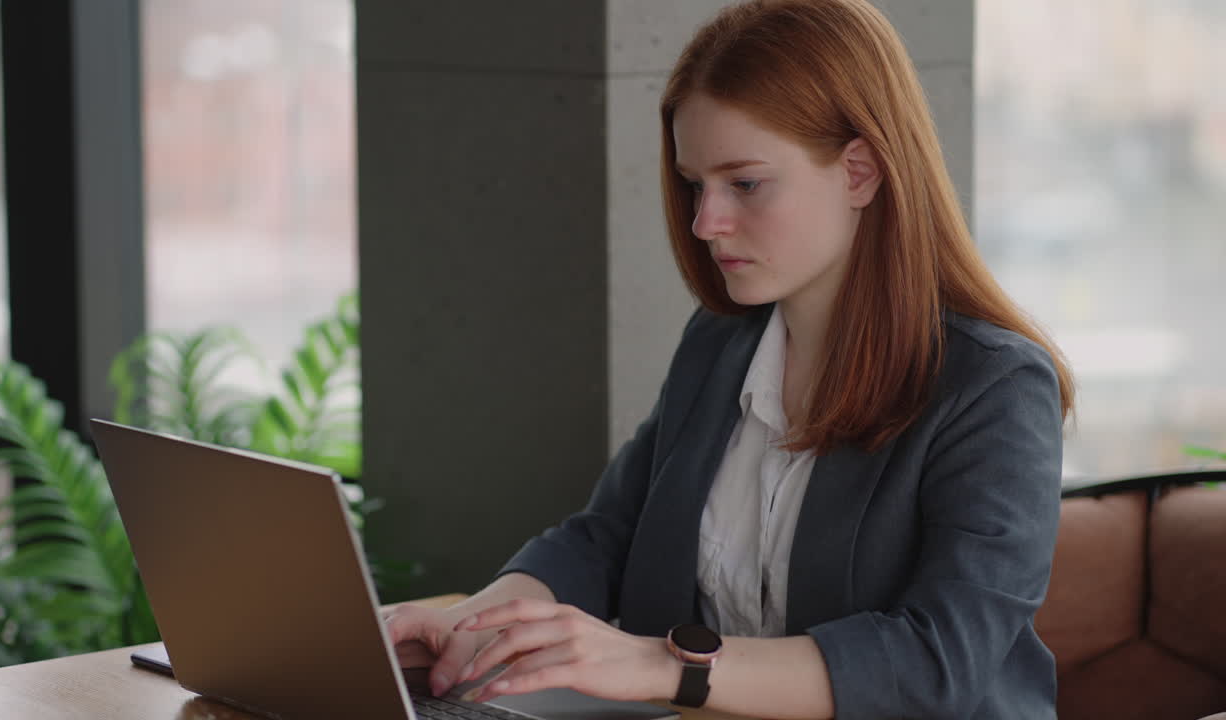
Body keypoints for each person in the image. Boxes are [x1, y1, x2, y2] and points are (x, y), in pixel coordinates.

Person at [386, 1, 1074, 718]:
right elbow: (610, 537)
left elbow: (936, 661)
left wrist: (662, 665)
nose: (704, 223)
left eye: (744, 183)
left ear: (861, 172)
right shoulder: (722, 342)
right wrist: (477, 627)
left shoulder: (993, 388)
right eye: (694, 184)